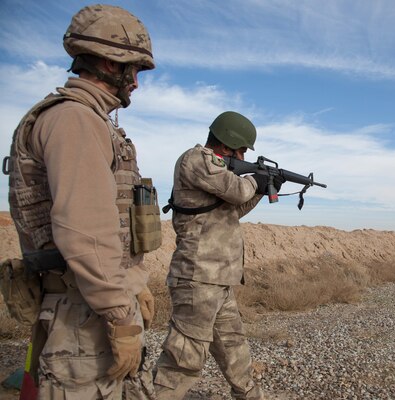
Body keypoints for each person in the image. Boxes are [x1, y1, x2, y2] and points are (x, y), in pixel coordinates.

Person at [4, 4, 160, 399]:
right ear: (110, 63)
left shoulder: (89, 120)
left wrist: (132, 284)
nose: (137, 83)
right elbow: (86, 232)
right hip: (83, 314)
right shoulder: (75, 120)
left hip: (89, 303)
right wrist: (119, 312)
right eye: (134, 69)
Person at [154, 111, 283, 399]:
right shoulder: (196, 159)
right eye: (241, 150)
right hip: (197, 278)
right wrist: (256, 180)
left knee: (234, 349)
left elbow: (234, 210)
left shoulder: (219, 176)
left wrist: (263, 189)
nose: (242, 155)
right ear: (228, 145)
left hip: (219, 279)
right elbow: (238, 191)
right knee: (183, 360)